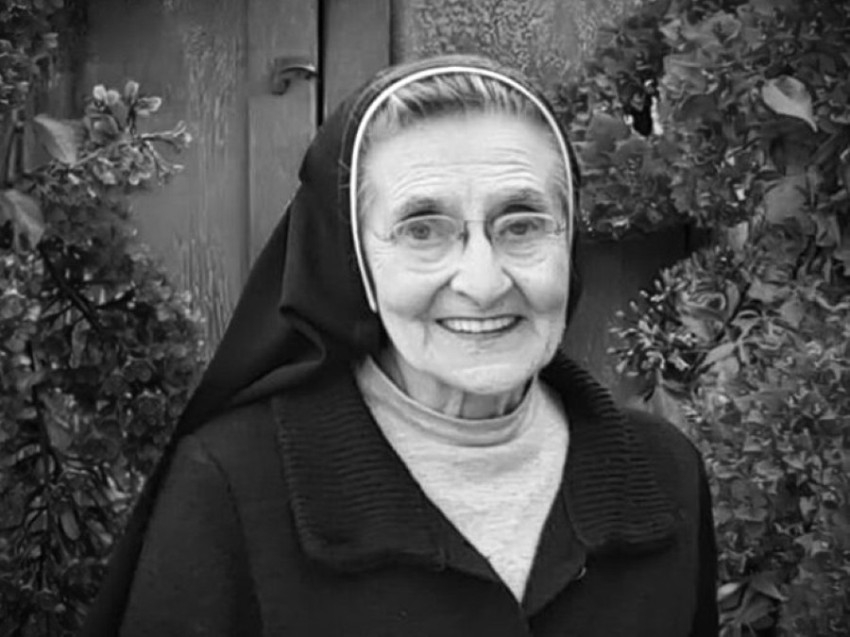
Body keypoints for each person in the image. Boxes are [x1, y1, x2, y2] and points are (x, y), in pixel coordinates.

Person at [81, 55, 718, 636]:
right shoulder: (232, 485)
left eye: (522, 225)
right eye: (422, 230)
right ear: (356, 262)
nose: (483, 283)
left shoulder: (666, 474)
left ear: (568, 245)